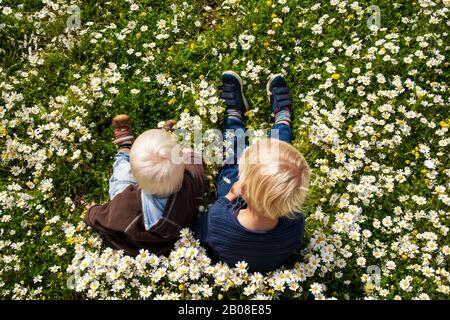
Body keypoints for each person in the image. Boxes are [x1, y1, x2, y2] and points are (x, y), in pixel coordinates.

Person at [194, 71, 310, 272]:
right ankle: (282, 119)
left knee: (233, 160)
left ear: (243, 189)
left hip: (234, 204)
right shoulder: (294, 225)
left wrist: (231, 194)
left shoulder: (218, 219)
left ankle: (234, 114)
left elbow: (201, 232)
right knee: (281, 157)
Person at [85, 116, 205, 256]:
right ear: (182, 170)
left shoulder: (124, 206)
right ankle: (160, 145)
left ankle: (125, 149)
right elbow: (197, 171)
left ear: (136, 180)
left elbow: (101, 217)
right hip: (171, 244)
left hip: (141, 249)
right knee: (187, 156)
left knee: (122, 177)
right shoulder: (190, 185)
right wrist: (189, 154)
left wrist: (90, 212)